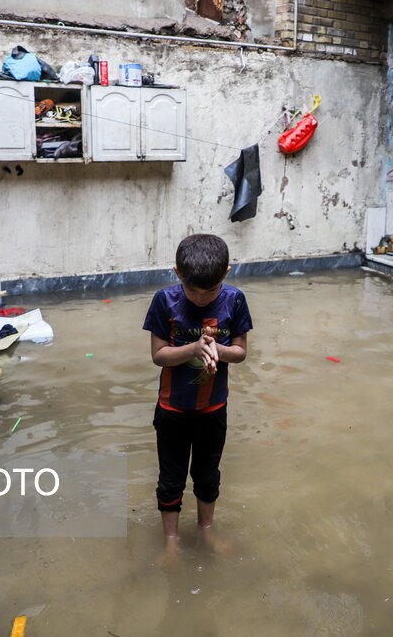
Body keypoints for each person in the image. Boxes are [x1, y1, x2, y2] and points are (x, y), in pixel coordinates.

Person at [142, 234, 252, 563]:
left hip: (213, 409)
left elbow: (240, 352)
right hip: (172, 409)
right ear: (177, 273)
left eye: (211, 290)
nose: (202, 298)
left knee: (207, 475)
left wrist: (217, 349)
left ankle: (206, 530)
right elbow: (159, 356)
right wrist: (194, 348)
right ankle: (171, 540)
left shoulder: (235, 300)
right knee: (171, 477)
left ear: (226, 274)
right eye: (193, 291)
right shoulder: (165, 300)